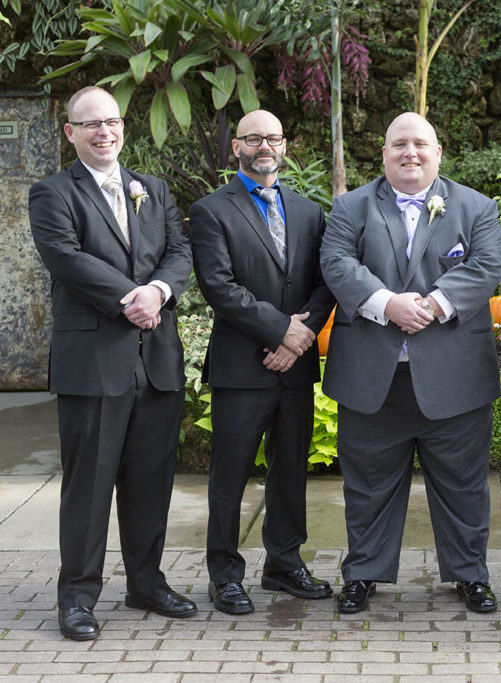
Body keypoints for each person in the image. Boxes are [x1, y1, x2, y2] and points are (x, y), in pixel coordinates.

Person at [320, 112, 501, 614]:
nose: (410, 153)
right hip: (372, 378)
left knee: (464, 486)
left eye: (421, 144)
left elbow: (486, 265)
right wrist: (386, 303)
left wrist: (432, 304)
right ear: (383, 154)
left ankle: (470, 575)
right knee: (368, 486)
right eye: (399, 144)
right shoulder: (350, 207)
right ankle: (363, 574)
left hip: (454, 377)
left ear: (438, 151)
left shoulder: (475, 206)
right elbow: (337, 263)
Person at [29, 86, 194, 641]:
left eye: (113, 122)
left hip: (158, 362)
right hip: (94, 362)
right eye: (91, 123)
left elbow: (179, 252)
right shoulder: (52, 193)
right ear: (71, 132)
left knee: (151, 482)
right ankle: (77, 596)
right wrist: (136, 297)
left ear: (124, 128)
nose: (105, 131)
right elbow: (67, 260)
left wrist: (162, 290)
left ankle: (146, 583)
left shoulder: (154, 189)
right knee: (89, 485)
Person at [188, 110, 335, 615]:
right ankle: (224, 574)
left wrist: (298, 339)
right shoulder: (210, 210)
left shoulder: (310, 212)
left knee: (290, 468)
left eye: (273, 137)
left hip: (293, 366)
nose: (264, 146)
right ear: (237, 147)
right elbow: (219, 287)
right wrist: (280, 330)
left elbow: (325, 282)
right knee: (229, 475)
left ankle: (284, 564)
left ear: (285, 145)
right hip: (241, 366)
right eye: (254, 138)